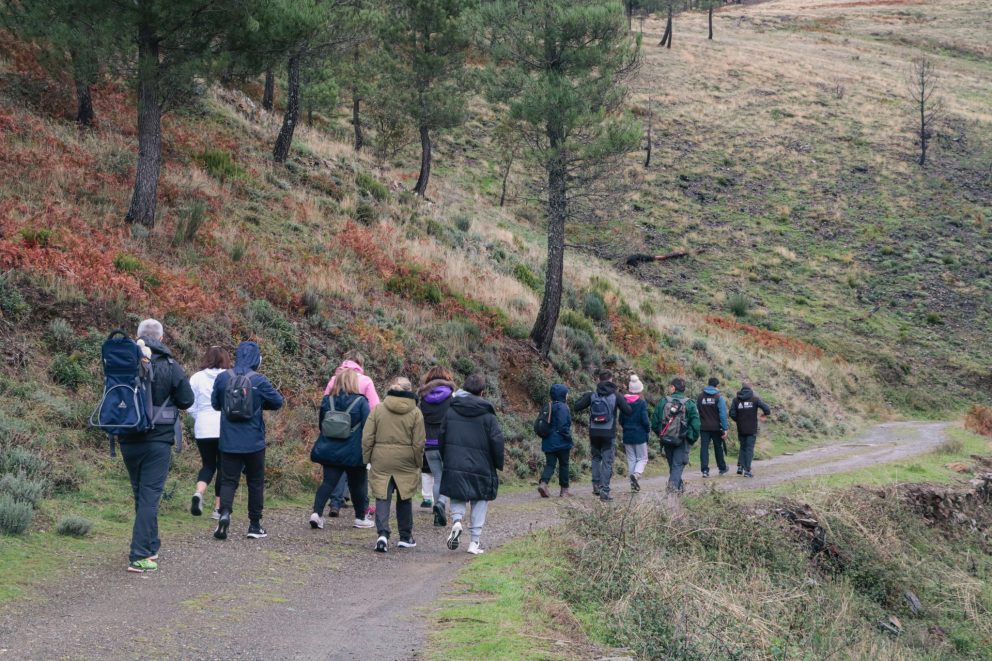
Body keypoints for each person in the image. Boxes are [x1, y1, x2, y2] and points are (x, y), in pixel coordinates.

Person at [120, 319, 194, 573]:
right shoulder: (171, 365)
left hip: (127, 438)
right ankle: (139, 555)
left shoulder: (125, 362)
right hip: (158, 439)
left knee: (141, 493)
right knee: (150, 496)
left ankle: (150, 545)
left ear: (137, 336)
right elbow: (186, 400)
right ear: (161, 339)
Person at [211, 341, 284, 540]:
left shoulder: (223, 377)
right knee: (255, 482)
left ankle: (224, 514)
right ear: (256, 359)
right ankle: (254, 525)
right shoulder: (259, 380)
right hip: (254, 441)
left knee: (228, 480)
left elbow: (216, 404)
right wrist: (258, 405)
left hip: (229, 440)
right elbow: (278, 402)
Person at [440, 374, 505, 555]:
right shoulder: (488, 415)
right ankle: (474, 542)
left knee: (458, 494)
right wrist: (498, 463)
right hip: (482, 464)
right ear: (482, 392)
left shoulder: (451, 411)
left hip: (455, 460)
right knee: (480, 500)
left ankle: (457, 521)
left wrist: (446, 457)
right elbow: (497, 441)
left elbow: (441, 436)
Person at [362, 377, 425, 552]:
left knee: (382, 496)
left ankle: (382, 534)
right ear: (409, 390)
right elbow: (419, 443)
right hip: (406, 460)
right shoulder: (415, 413)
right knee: (405, 497)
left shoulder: (378, 409)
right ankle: (405, 536)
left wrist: (367, 459)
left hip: (381, 459)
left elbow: (367, 438)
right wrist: (417, 462)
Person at [310, 368, 375, 530]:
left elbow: (322, 425)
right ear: (354, 383)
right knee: (357, 486)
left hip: (330, 450)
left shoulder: (327, 400)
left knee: (328, 483)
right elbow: (368, 427)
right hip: (354, 451)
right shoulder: (361, 402)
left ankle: (316, 514)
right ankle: (360, 518)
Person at [322, 352, 380, 518]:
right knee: (358, 469)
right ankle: (363, 508)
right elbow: (374, 407)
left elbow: (325, 401)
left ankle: (335, 502)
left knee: (338, 465)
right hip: (357, 430)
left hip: (335, 429)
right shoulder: (365, 380)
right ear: (360, 364)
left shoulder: (335, 379)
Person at [573, 370, 632, 502]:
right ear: (611, 380)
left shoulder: (592, 395)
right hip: (608, 433)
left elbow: (576, 406)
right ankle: (604, 491)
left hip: (594, 432)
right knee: (607, 462)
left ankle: (596, 485)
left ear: (599, 380)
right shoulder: (616, 396)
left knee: (595, 458)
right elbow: (628, 411)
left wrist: (584, 396)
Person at [187, 346, 231, 520]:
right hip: (223, 426)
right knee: (223, 467)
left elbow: (189, 402)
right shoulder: (229, 376)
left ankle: (199, 492)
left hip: (203, 426)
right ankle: (218, 508)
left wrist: (199, 416)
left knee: (208, 465)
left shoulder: (197, 377)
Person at [418, 366, 456, 526]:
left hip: (429, 444)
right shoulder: (452, 398)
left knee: (438, 478)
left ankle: (437, 514)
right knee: (448, 477)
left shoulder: (422, 399)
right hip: (446, 444)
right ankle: (441, 503)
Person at [651, 377, 700, 494]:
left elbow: (654, 422)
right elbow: (696, 424)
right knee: (677, 466)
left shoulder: (663, 401)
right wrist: (690, 438)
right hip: (682, 440)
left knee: (673, 466)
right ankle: (672, 491)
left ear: (673, 387)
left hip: (666, 439)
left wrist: (662, 434)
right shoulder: (690, 404)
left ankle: (679, 489)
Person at [729, 380, 771, 478]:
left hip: (741, 428)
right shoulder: (755, 399)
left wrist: (738, 420)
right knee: (749, 449)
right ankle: (747, 470)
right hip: (751, 428)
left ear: (742, 387)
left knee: (743, 447)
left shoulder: (736, 400)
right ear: (750, 387)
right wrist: (763, 414)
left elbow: (732, 414)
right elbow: (767, 410)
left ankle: (740, 466)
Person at [537, 383, 572, 498]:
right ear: (563, 395)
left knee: (550, 464)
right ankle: (564, 490)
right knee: (564, 465)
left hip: (548, 441)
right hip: (562, 442)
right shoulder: (563, 407)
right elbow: (563, 426)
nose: (568, 396)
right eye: (566, 394)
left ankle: (543, 483)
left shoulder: (548, 405)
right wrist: (568, 437)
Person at [619, 374, 651, 492]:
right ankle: (636, 475)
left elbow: (620, 420)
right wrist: (648, 429)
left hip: (627, 435)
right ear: (640, 390)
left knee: (631, 459)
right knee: (642, 458)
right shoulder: (641, 403)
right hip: (640, 435)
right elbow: (645, 420)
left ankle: (633, 485)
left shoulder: (623, 402)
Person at [697, 377, 729, 478]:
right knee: (718, 447)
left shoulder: (700, 397)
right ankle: (722, 468)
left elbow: (697, 412)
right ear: (717, 385)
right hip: (716, 428)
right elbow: (723, 414)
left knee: (704, 448)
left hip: (703, 427)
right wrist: (724, 428)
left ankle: (705, 471)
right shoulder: (719, 397)